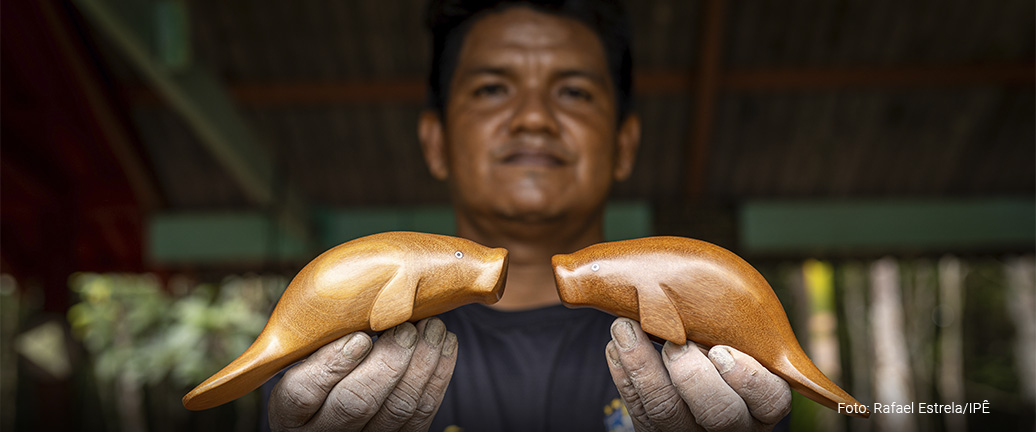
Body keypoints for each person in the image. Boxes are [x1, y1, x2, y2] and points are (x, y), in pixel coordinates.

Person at [264, 1, 792, 430]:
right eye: (493, 89)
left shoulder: (722, 351)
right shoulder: (329, 364)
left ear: (624, 144)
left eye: (573, 92)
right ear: (435, 142)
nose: (534, 118)